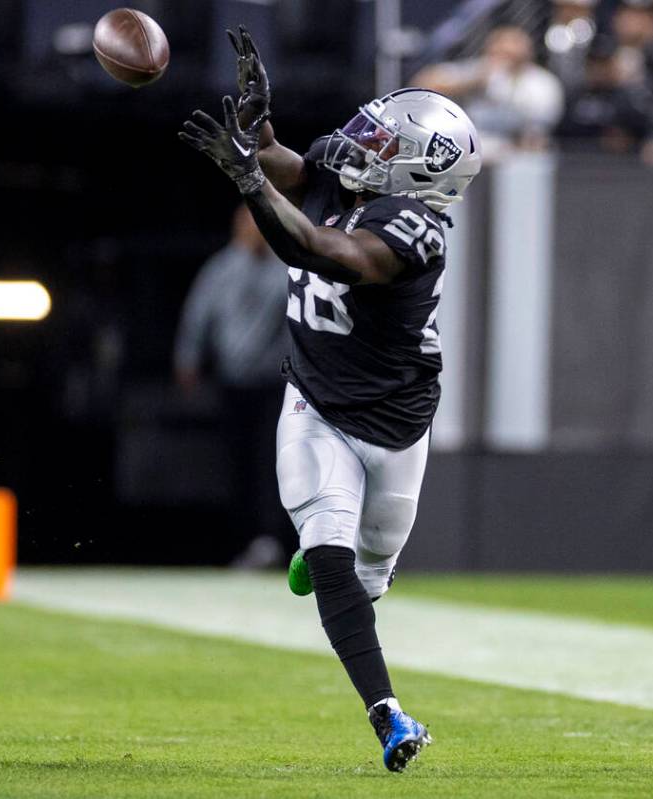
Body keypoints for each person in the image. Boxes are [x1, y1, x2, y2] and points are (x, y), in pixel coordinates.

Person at [179, 27, 481, 772]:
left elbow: (320, 249)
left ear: (416, 172)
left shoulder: (414, 229)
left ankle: (333, 561)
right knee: (330, 551)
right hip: (315, 402)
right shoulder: (345, 177)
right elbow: (289, 167)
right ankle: (387, 713)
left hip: (396, 422)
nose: (359, 144)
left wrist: (248, 179)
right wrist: (259, 136)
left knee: (370, 573)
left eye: (382, 141)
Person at [173, 205, 295, 568]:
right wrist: (187, 359)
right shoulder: (222, 269)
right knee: (235, 463)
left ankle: (273, 540)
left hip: (274, 383)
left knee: (271, 463)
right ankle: (242, 540)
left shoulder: (284, 267)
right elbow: (198, 315)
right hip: (233, 383)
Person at [413, 25, 562, 157]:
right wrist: (473, 82)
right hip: (472, 152)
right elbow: (424, 83)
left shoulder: (542, 83)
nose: (505, 56)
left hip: (519, 155)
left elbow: (540, 127)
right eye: (500, 49)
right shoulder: (479, 71)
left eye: (511, 51)